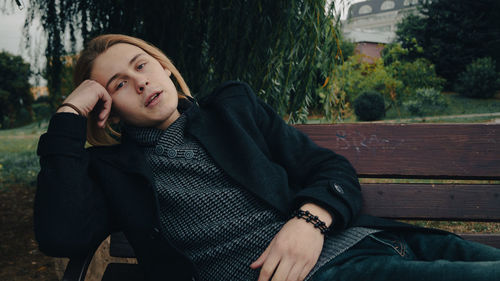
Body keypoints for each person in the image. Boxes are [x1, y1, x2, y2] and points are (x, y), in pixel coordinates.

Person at [35, 34, 500, 281]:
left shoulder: (231, 108)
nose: (138, 82)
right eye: (116, 84)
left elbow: (328, 169)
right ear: (107, 110)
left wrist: (308, 223)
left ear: (164, 67)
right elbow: (61, 235)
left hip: (372, 242)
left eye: (141, 65)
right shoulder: (111, 171)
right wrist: (70, 114)